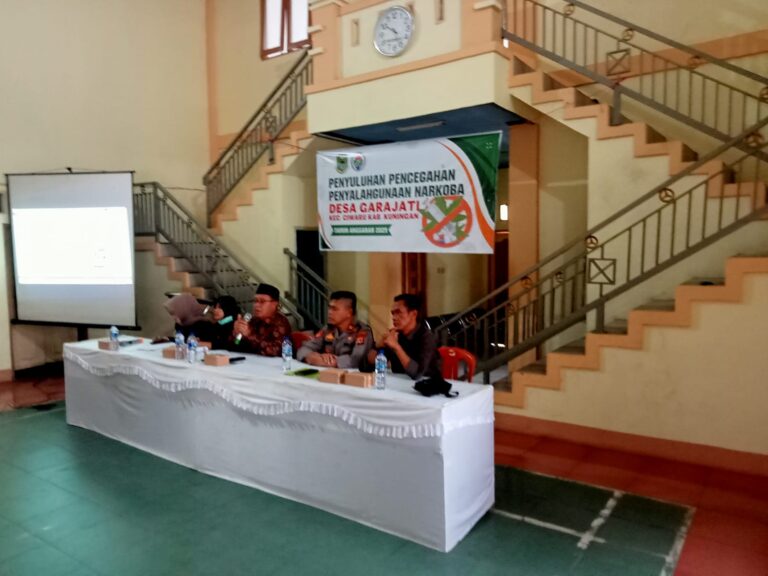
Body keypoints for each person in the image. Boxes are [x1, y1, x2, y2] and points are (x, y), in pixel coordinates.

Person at [367, 293, 441, 380]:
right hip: (399, 383)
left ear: (413, 314)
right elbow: (367, 367)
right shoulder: (395, 335)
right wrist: (377, 346)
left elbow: (418, 373)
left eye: (398, 312)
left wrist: (396, 347)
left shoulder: (427, 337)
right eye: (393, 313)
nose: (394, 318)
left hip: (425, 385)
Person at [297, 291, 374, 369]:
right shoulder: (328, 329)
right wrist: (310, 357)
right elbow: (304, 348)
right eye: (329, 308)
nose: (329, 312)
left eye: (334, 309)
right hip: (327, 372)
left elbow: (356, 360)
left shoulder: (362, 332)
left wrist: (329, 361)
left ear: (349, 312)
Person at [231, 283, 291, 356]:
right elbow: (235, 345)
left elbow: (273, 351)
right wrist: (237, 334)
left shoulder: (281, 323)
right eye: (255, 301)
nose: (257, 305)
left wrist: (249, 334)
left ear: (275, 304)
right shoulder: (253, 320)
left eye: (262, 301)